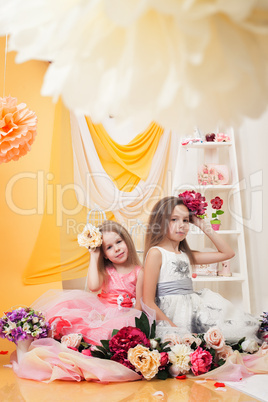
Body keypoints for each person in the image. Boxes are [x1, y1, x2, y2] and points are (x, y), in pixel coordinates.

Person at [142, 196, 259, 343]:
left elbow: (228, 253)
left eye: (185, 220)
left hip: (193, 310)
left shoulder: (186, 255)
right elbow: (147, 301)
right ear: (160, 223)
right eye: (174, 219)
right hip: (172, 316)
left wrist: (201, 224)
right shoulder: (156, 253)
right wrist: (172, 329)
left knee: (238, 329)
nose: (182, 225)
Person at [32, 221, 144, 345]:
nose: (117, 249)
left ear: (127, 241)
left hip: (127, 315)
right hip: (102, 311)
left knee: (111, 335)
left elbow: (139, 306)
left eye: (119, 242)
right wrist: (95, 254)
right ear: (105, 255)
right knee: (68, 308)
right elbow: (93, 287)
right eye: (109, 247)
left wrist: (128, 321)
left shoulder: (138, 272)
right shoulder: (107, 270)